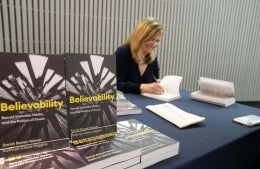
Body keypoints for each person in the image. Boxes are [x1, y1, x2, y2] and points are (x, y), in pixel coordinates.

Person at [115, 17, 164, 94]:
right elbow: (115, 85)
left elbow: (154, 82)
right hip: (124, 103)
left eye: (157, 41)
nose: (154, 44)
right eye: (151, 39)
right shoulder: (123, 52)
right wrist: (141, 87)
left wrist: (157, 86)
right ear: (140, 37)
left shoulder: (153, 58)